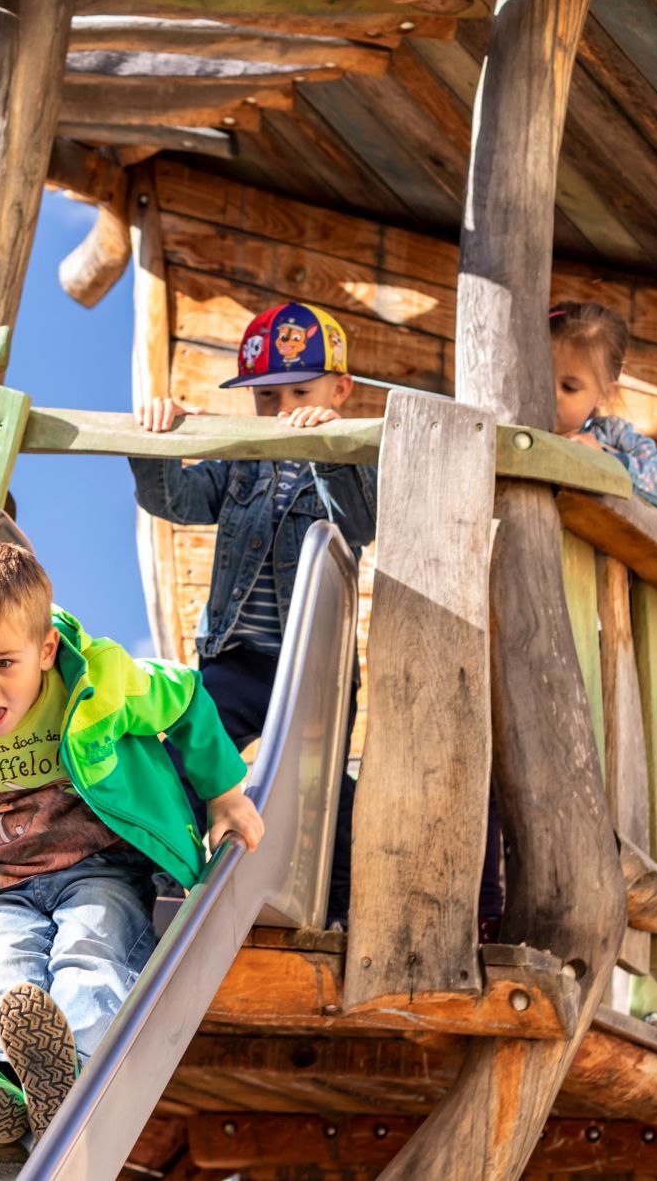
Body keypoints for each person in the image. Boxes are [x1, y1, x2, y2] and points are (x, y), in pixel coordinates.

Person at [0, 540, 261, 1143]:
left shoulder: (97, 680)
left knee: (89, 950)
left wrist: (224, 795)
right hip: (7, 884)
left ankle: (72, 1066)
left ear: (45, 651)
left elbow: (184, 698)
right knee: (6, 971)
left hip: (102, 868)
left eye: (4, 664)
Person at [128, 301, 383, 931]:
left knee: (320, 786)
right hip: (237, 657)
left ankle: (339, 908)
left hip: (312, 666)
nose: (282, 408)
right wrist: (157, 442)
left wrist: (327, 446)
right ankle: (163, 883)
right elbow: (178, 501)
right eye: (267, 398)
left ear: (339, 390)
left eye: (299, 391)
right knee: (187, 757)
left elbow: (359, 524)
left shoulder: (352, 458)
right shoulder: (242, 459)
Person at [550, 301, 657, 517]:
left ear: (604, 394)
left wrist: (607, 463)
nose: (552, 394)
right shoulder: (511, 419)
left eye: (569, 387)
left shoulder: (613, 437)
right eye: (540, 376)